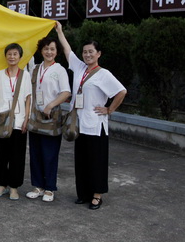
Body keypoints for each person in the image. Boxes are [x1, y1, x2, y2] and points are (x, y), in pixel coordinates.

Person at [56, 22, 127, 210]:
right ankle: (83, 193)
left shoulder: (104, 74)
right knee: (81, 161)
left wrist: (109, 109)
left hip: (95, 125)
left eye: (91, 52)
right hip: (78, 124)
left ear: (99, 54)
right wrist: (60, 32)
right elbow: (67, 50)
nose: (87, 54)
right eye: (85, 51)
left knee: (97, 161)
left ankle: (97, 195)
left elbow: (121, 91)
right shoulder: (79, 68)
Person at [26, 37, 71, 202]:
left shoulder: (59, 70)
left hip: (51, 117)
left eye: (52, 49)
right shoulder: (35, 69)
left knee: (50, 154)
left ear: (57, 51)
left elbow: (66, 92)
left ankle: (50, 188)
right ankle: (38, 186)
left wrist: (50, 105)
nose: (49, 52)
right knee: (35, 153)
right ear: (41, 51)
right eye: (46, 49)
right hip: (35, 116)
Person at [0, 43, 32, 201]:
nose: (12, 57)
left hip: (19, 120)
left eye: (15, 54)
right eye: (9, 54)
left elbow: (28, 98)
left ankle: (14, 187)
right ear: (5, 56)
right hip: (2, 121)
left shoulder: (25, 75)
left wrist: (26, 119)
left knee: (17, 156)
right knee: (1, 154)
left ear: (20, 57)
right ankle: (2, 185)